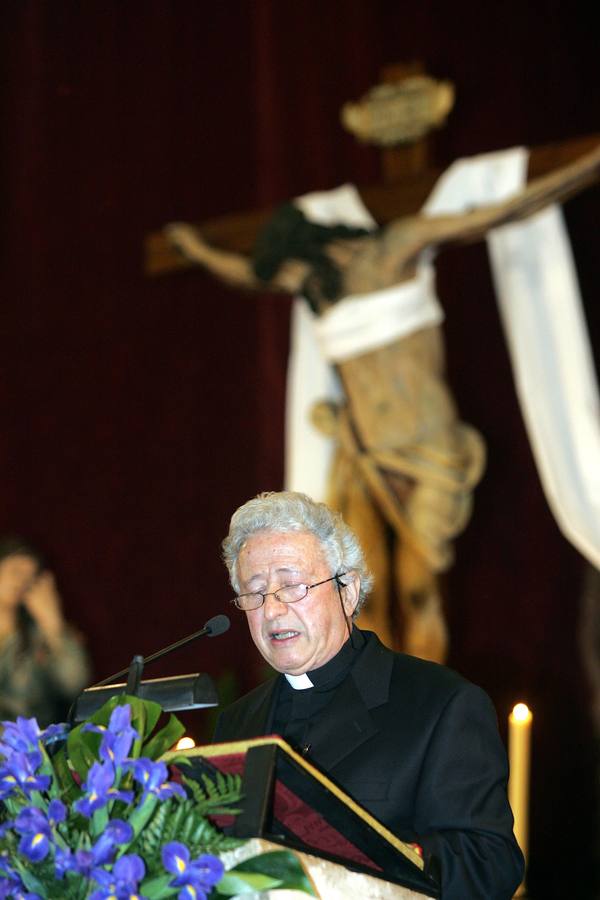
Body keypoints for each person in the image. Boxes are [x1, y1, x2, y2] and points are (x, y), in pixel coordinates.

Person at [165, 144, 600, 665]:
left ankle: (426, 707)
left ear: (314, 244)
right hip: (364, 456)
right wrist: (194, 248)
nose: (295, 278)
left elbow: (499, 211)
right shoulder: (316, 280)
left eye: (297, 264)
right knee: (358, 596)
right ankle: (377, 707)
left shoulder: (397, 247)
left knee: (421, 590)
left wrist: (588, 165)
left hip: (429, 453)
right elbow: (249, 275)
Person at [213, 490, 524, 900]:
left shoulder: (440, 704)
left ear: (348, 590)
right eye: (254, 593)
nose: (271, 610)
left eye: (291, 586)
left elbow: (491, 860)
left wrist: (371, 868)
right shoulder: (237, 721)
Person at [0, 536, 91, 726]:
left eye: (30, 577)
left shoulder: (39, 638)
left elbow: (74, 683)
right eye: (15, 571)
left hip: (27, 746)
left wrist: (53, 624)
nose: (22, 582)